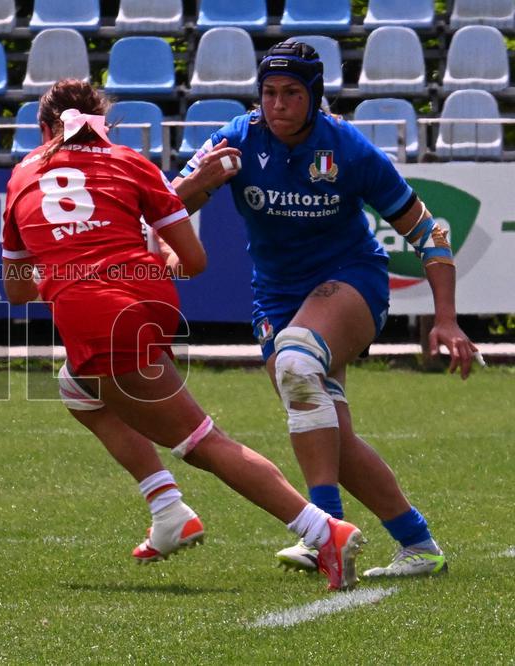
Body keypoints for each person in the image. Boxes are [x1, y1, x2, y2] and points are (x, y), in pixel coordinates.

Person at [2, 78, 365, 591]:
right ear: (102, 123)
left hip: (97, 318)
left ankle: (323, 530)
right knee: (76, 389)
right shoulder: (130, 162)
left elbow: (17, 292)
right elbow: (192, 262)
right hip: (152, 302)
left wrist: (68, 268)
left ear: (44, 129)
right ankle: (168, 508)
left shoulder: (23, 175)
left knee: (202, 443)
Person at [173, 40, 480, 578]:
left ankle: (325, 535)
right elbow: (168, 203)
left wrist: (447, 319)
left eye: (292, 93)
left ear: (314, 96)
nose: (278, 104)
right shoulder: (235, 138)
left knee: (296, 362)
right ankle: (418, 544)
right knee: (329, 429)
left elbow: (429, 232)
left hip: (352, 281)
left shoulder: (349, 149)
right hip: (276, 297)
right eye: (269, 92)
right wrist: (199, 183)